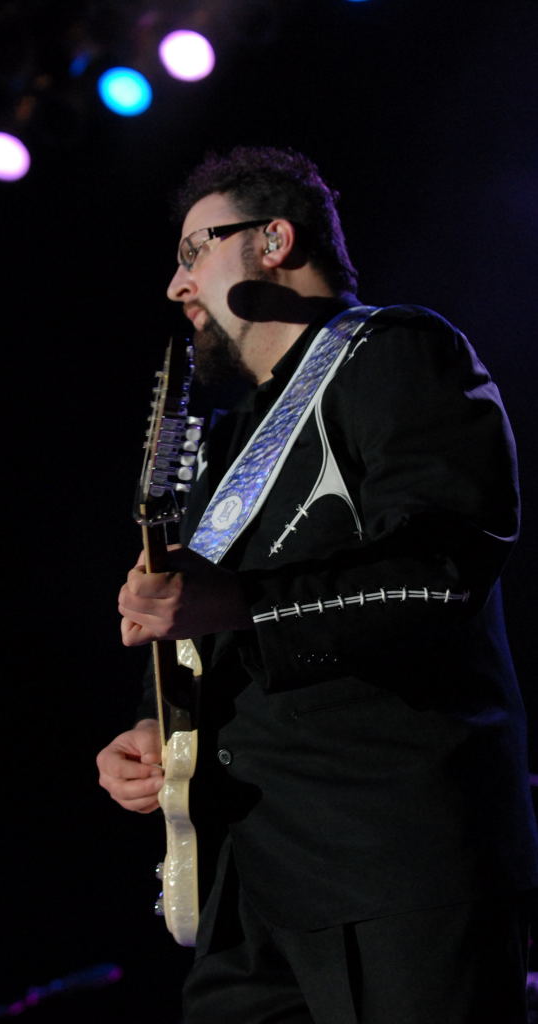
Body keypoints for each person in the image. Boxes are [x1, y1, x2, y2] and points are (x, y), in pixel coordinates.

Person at [96, 146, 538, 1023]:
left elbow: (439, 572)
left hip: (392, 867)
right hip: (250, 889)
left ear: (273, 241)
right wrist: (158, 728)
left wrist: (235, 603)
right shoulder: (230, 442)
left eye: (193, 252)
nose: (177, 286)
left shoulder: (396, 351)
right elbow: (209, 630)